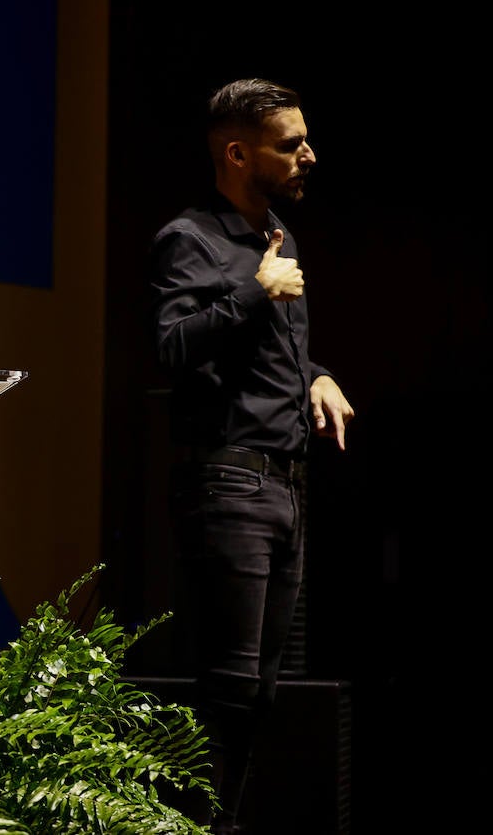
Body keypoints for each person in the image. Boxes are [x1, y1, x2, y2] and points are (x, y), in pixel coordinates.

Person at [149, 78, 355, 833]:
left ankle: (224, 824)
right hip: (229, 481)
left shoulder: (279, 237)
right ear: (238, 153)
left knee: (265, 688)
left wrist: (318, 374)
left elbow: (273, 358)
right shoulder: (191, 238)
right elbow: (169, 347)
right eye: (289, 144)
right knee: (229, 686)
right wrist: (249, 291)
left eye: (304, 140)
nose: (308, 156)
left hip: (288, 484)